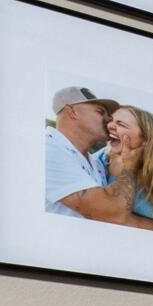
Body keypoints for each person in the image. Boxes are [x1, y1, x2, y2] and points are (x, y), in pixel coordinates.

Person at [95, 105, 153, 235]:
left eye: (121, 124)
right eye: (110, 120)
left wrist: (115, 217)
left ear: (145, 139)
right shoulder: (99, 159)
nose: (110, 125)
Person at [42, 86, 111, 219]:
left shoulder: (97, 162)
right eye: (100, 112)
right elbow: (108, 212)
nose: (109, 120)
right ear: (72, 111)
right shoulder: (47, 148)